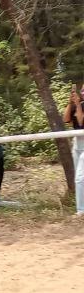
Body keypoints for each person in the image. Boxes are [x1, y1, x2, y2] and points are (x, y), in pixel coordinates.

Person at [64, 83, 84, 215]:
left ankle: (81, 210)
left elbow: (81, 122)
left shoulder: (80, 106)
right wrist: (70, 103)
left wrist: (77, 104)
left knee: (80, 177)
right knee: (80, 177)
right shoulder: (78, 105)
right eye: (82, 90)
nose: (83, 92)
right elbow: (66, 119)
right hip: (77, 143)